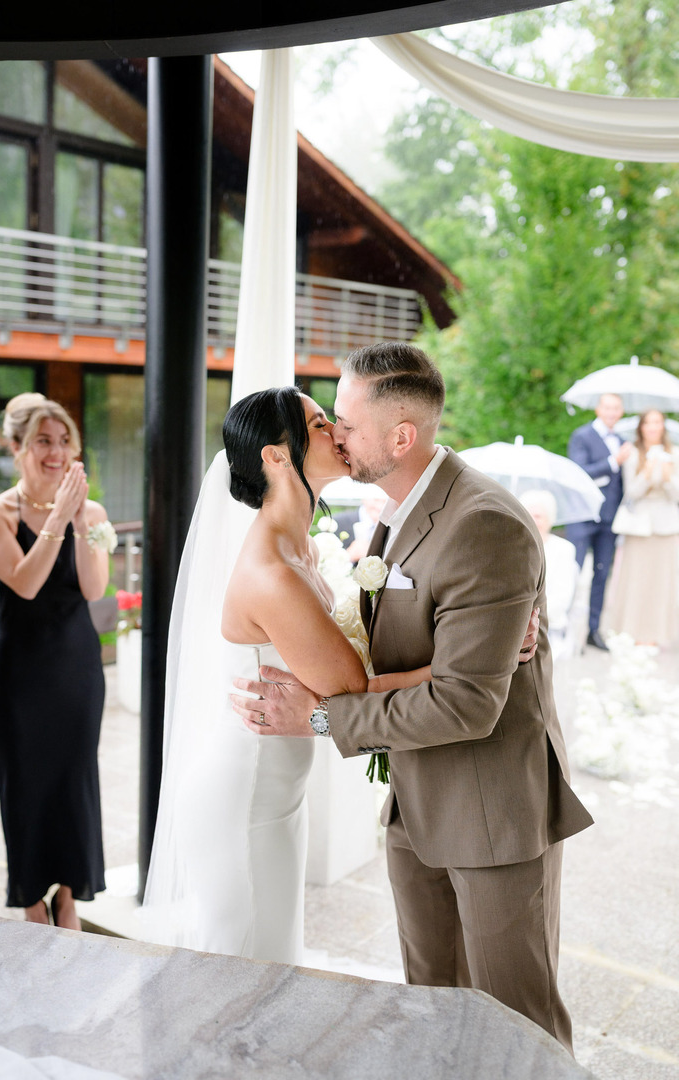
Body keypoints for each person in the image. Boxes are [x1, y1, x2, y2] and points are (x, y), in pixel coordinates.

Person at [231, 343, 593, 1054]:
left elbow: (466, 705)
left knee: (517, 1023)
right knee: (433, 1005)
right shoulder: (391, 512)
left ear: (401, 437)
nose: (334, 435)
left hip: (490, 811)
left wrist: (315, 715)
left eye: (345, 421)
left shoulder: (484, 523)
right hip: (414, 803)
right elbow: (400, 648)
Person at [141, 385, 541, 963]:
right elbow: (350, 689)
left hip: (278, 790)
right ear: (277, 456)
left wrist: (483, 632)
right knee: (243, 964)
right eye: (321, 423)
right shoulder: (273, 573)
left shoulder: (303, 544)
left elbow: (357, 646)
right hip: (245, 793)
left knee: (273, 957)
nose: (339, 434)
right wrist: (484, 657)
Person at [0, 393, 111, 930]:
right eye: (42, 441)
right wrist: (56, 514)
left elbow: (95, 587)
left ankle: (70, 898)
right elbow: (26, 583)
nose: (55, 451)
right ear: (16, 448)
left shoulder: (90, 511)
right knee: (25, 785)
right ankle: (32, 898)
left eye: (64, 440)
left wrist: (77, 517)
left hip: (76, 670)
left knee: (75, 781)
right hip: (19, 676)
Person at [565, 393, 632, 650]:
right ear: (598, 409)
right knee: (575, 570)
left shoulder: (623, 441)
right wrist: (613, 461)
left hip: (610, 519)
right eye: (607, 407)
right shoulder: (582, 436)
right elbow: (579, 471)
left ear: (621, 411)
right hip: (583, 516)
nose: (612, 411)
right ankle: (565, 631)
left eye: (616, 407)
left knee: (602, 574)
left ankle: (594, 630)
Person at [609, 409, 679, 647]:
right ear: (641, 427)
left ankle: (659, 634)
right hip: (639, 525)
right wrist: (647, 474)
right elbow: (631, 493)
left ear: (663, 426)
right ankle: (633, 631)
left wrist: (668, 478)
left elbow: (676, 496)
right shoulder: (633, 454)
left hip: (668, 525)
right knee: (637, 580)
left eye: (657, 422)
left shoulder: (675, 453)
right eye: (648, 423)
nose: (652, 427)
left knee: (663, 582)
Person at [519, 490, 579, 660]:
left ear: (549, 519)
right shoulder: (513, 546)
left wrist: (527, 619)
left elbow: (562, 599)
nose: (533, 520)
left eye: (538, 516)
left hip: (549, 630)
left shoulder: (564, 550)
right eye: (528, 514)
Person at [334, 492, 386, 564]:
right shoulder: (337, 523)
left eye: (385, 501)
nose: (380, 506)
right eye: (376, 500)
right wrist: (348, 556)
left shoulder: (394, 526)